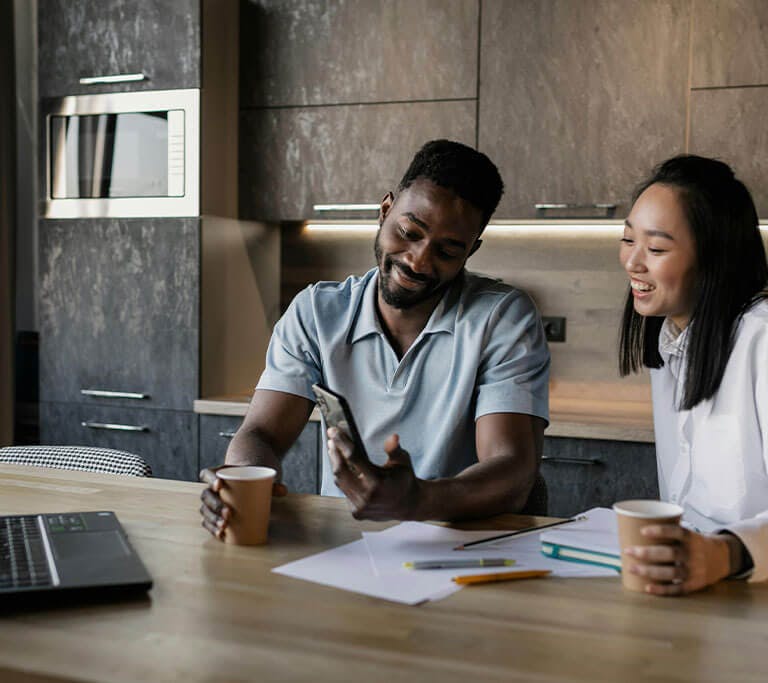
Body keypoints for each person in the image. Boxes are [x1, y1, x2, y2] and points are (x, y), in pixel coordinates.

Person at [200, 139, 550, 536]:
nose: (418, 260)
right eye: (409, 231)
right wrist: (242, 480)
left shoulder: (502, 317)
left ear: (472, 250)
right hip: (343, 544)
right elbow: (261, 433)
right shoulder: (317, 312)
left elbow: (513, 468)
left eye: (448, 251)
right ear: (385, 210)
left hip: (463, 547)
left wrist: (418, 501)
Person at [618, 154, 768, 594]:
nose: (633, 262)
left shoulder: (762, 338)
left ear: (714, 257)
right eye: (628, 239)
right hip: (701, 591)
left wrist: (724, 553)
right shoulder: (671, 338)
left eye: (657, 248)